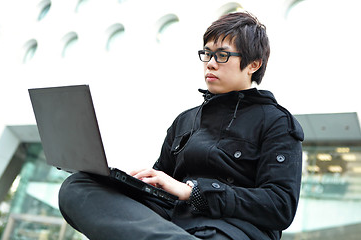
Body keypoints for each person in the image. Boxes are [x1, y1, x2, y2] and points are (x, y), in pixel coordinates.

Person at [58, 11, 304, 240]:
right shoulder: (185, 120)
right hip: (171, 224)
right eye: (206, 53)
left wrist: (195, 191)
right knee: (79, 186)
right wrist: (124, 181)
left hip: (229, 230)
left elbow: (280, 205)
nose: (210, 63)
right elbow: (158, 187)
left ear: (254, 64)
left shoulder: (277, 122)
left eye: (222, 55)